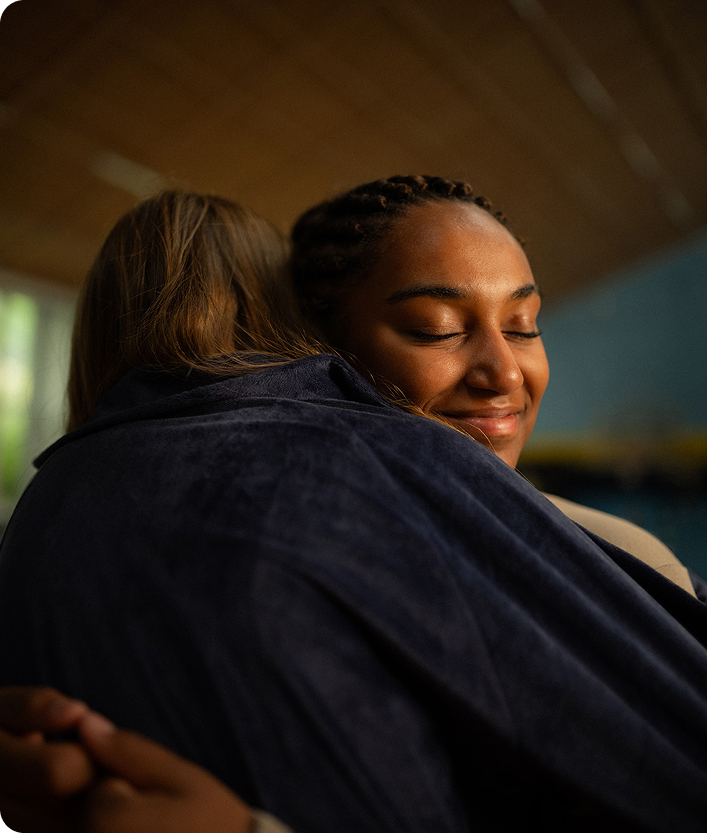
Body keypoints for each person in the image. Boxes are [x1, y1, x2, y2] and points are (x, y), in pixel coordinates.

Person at [3, 179, 707, 833]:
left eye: (524, 324)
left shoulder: (44, 519)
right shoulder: (381, 472)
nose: (503, 373)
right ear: (323, 351)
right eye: (434, 327)